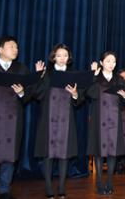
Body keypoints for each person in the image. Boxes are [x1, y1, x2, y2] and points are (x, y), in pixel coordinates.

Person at [33, 44, 86, 198]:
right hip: (48, 120)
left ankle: (62, 188)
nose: (62, 58)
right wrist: (38, 77)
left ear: (68, 58)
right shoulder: (46, 74)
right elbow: (37, 95)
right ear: (53, 57)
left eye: (65, 55)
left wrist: (75, 94)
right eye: (59, 55)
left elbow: (79, 99)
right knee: (48, 156)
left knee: (64, 155)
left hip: (66, 121)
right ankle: (49, 189)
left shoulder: (73, 75)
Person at [0, 36, 44, 199]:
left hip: (13, 118)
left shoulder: (21, 68)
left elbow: (30, 93)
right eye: (11, 47)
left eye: (16, 47)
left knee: (9, 155)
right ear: (0, 49)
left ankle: (4, 190)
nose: (15, 50)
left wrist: (22, 93)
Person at [85, 52, 125, 195]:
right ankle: (99, 183)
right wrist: (92, 76)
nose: (111, 64)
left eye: (113, 61)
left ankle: (110, 182)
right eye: (108, 61)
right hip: (99, 119)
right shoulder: (96, 77)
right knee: (99, 153)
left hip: (114, 120)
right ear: (101, 62)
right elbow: (89, 94)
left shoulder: (119, 80)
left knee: (112, 152)